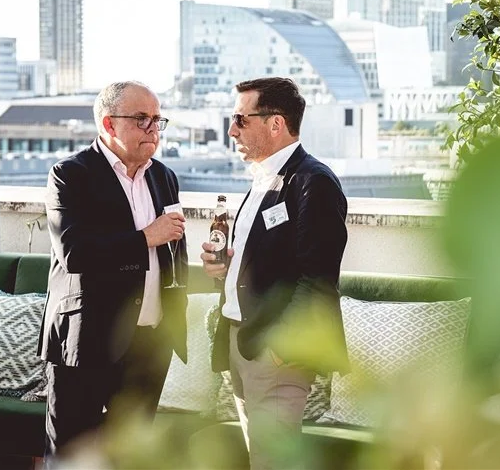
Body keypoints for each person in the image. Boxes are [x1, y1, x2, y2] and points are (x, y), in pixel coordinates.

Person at [202, 77, 349, 470]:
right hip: (243, 340)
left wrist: (281, 349)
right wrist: (224, 269)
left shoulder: (313, 182)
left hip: (272, 349)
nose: (231, 130)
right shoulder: (264, 179)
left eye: (239, 119)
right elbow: (268, 262)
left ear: (275, 124)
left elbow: (318, 277)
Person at [38, 81, 188, 461]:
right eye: (142, 119)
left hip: (149, 345)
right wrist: (144, 238)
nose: (153, 128)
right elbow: (75, 252)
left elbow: (171, 248)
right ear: (108, 124)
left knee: (130, 457)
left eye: (157, 119)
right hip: (88, 341)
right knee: (73, 456)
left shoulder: (164, 176)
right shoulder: (70, 175)